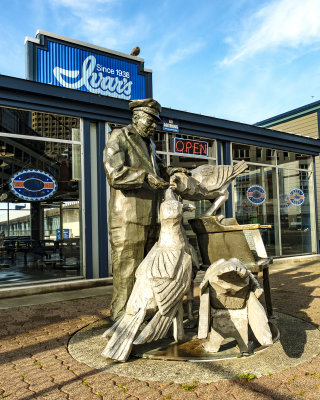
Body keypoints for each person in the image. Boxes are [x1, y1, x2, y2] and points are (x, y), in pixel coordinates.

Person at [103, 98, 169, 321]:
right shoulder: (119, 136)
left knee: (147, 271)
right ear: (136, 117)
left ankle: (141, 313)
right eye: (150, 121)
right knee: (127, 271)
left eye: (156, 123)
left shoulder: (149, 144)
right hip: (128, 218)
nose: (153, 127)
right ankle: (121, 318)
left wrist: (171, 172)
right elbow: (115, 173)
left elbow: (159, 169)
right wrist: (145, 177)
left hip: (152, 216)